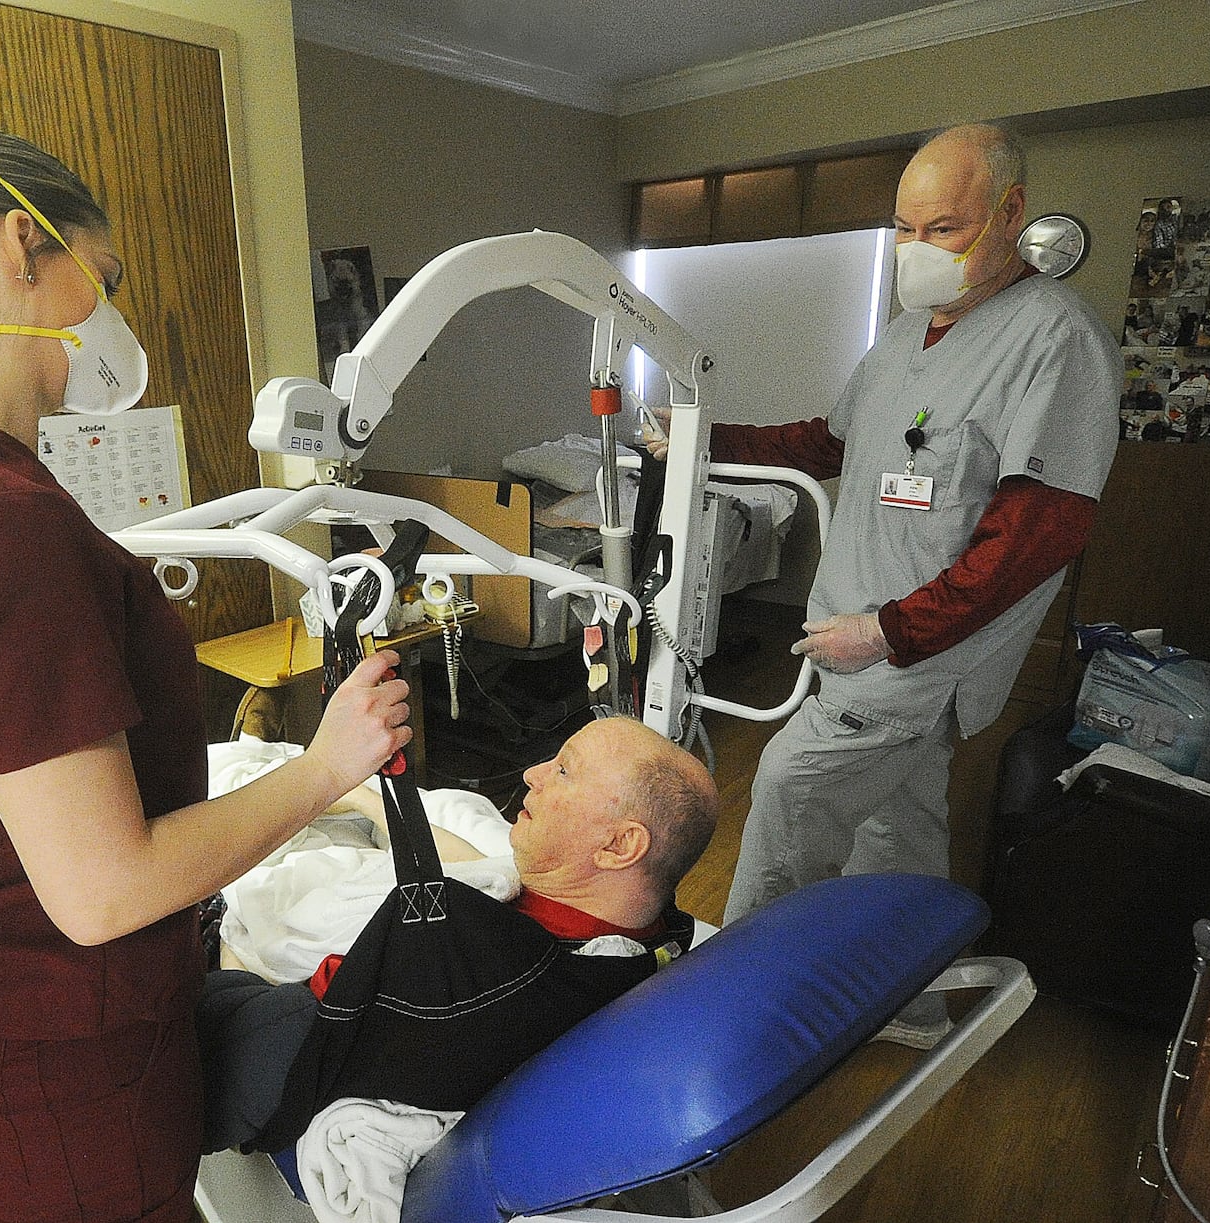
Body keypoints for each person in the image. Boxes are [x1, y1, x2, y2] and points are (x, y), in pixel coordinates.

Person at [0, 124, 412, 1223]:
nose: (114, 316)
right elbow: (104, 889)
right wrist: (326, 764)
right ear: (23, 245)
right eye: (102, 277)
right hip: (49, 1062)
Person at [702, 123, 1120, 1047]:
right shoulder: (904, 334)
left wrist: (887, 632)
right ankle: (911, 1002)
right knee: (898, 827)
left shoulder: (1058, 344)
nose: (916, 250)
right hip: (855, 633)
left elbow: (1029, 544)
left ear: (1010, 216)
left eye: (945, 227)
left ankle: (729, 1018)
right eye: (904, 226)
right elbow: (831, 442)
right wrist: (703, 438)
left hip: (908, 655)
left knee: (785, 795)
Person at [196, 715, 719, 1153]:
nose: (534, 773)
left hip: (276, 1043)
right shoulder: (658, 937)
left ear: (619, 846)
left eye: (564, 771)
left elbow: (275, 1049)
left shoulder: (456, 965)